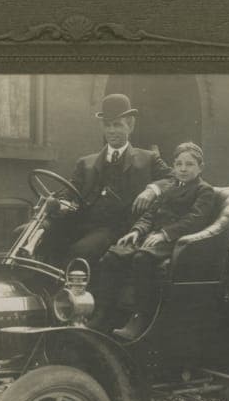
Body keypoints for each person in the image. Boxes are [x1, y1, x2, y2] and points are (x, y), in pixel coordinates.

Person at [92, 141, 216, 340]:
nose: (183, 169)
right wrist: (137, 231)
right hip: (153, 237)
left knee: (143, 258)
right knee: (113, 255)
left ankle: (140, 318)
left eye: (189, 164)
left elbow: (195, 220)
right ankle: (103, 313)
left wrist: (165, 234)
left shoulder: (204, 191)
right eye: (179, 164)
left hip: (178, 241)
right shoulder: (169, 187)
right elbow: (150, 213)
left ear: (200, 167)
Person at [36, 93, 172, 269]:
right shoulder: (86, 162)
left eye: (117, 125)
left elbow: (174, 178)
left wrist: (152, 189)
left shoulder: (148, 159)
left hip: (115, 228)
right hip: (79, 223)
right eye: (107, 125)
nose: (111, 131)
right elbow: (69, 192)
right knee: (32, 234)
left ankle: (66, 293)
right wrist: (62, 203)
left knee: (80, 251)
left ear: (130, 125)